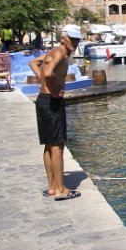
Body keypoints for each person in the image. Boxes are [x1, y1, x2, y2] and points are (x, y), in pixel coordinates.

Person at [29, 24, 82, 201]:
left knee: (49, 144)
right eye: (72, 39)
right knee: (57, 146)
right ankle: (61, 189)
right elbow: (48, 71)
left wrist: (42, 80)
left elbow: (34, 62)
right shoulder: (59, 53)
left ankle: (52, 187)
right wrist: (53, 88)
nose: (75, 42)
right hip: (51, 102)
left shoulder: (58, 54)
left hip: (43, 101)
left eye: (77, 39)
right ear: (63, 38)